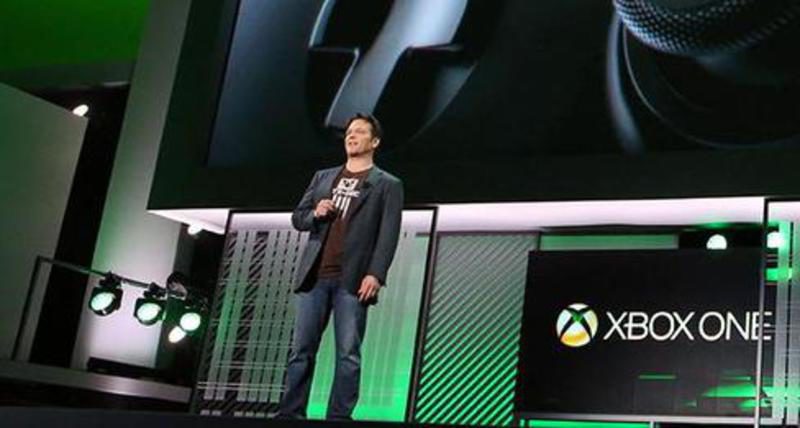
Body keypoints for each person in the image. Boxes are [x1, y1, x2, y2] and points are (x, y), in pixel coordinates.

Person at [275, 113, 404, 420]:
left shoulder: (387, 184)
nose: (351, 136)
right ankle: (290, 414)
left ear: (374, 141)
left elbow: (388, 234)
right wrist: (315, 213)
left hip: (353, 278)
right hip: (315, 277)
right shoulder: (323, 177)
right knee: (301, 351)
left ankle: (339, 417)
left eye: (359, 132)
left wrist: (376, 274)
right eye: (348, 132)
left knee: (348, 353)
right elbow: (298, 218)